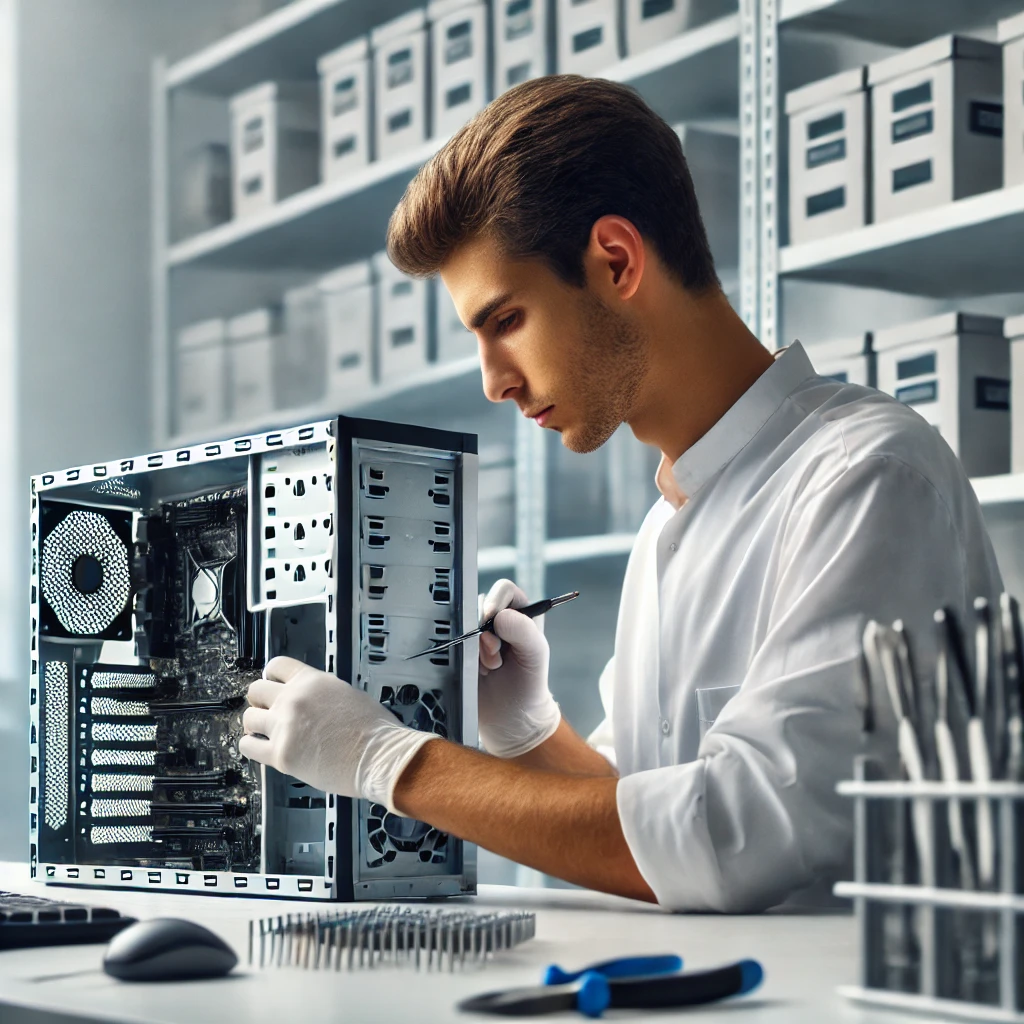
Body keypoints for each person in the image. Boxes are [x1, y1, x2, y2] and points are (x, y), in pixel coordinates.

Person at [239, 75, 1003, 912]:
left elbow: (735, 834)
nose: (494, 382)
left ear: (616, 259)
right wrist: (529, 732)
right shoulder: (666, 527)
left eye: (505, 321)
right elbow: (645, 819)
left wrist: (391, 763)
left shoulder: (866, 477)